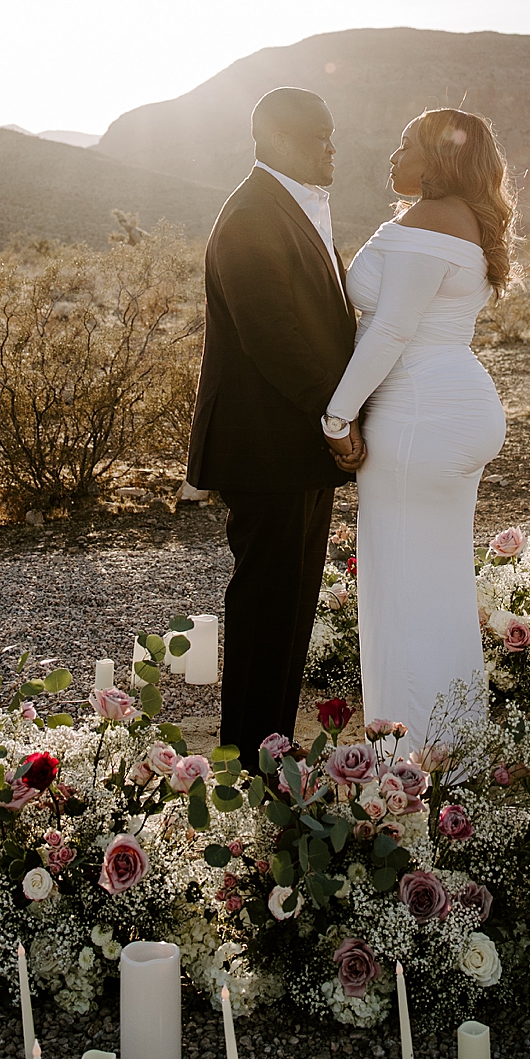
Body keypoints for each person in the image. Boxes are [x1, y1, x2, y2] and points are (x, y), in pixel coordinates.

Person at [323, 108, 515, 742]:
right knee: (437, 583)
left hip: (418, 420)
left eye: (405, 145)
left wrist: (338, 415)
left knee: (399, 588)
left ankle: (405, 767)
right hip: (451, 408)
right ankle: (454, 751)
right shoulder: (461, 219)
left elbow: (393, 330)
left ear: (441, 160)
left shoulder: (432, 220)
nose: (392, 155)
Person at [187, 86, 362, 769]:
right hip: (268, 448)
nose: (332, 146)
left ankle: (271, 752)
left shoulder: (288, 206)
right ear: (281, 138)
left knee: (291, 609)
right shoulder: (253, 214)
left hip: (294, 448)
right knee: (266, 609)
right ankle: (249, 764)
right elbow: (274, 337)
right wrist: (338, 417)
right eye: (321, 134)